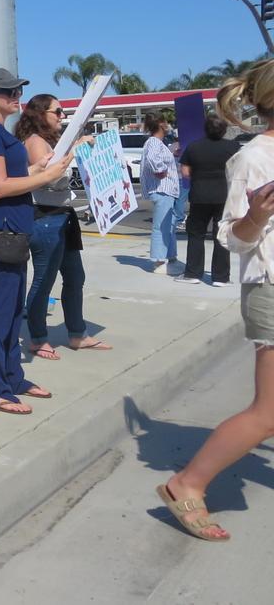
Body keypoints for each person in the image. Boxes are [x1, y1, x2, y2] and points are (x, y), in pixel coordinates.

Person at [158, 59, 274, 541]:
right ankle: (187, 482)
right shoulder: (253, 158)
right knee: (269, 413)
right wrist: (253, 218)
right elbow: (231, 237)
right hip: (271, 285)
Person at [0, 69, 72, 415]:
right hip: (0, 232)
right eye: (7, 90)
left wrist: (39, 168)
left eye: (17, 89)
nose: (15, 94)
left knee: (11, 310)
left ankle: (11, 376)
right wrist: (48, 175)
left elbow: (12, 177)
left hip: (12, 230)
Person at [15, 94, 111, 359]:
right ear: (40, 114)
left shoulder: (51, 141)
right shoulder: (35, 142)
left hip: (62, 216)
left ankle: (77, 333)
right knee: (44, 280)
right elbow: (49, 179)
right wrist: (73, 152)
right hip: (45, 218)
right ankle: (37, 337)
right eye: (57, 112)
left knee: (75, 277)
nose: (62, 116)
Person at [175, 115, 242, 287]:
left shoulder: (193, 147)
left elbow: (185, 173)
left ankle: (193, 273)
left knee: (196, 234)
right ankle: (221, 277)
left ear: (205, 129)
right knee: (221, 235)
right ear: (224, 130)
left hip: (199, 196)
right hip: (224, 197)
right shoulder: (234, 147)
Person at [141, 112, 183, 275]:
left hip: (167, 190)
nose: (168, 125)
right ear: (160, 124)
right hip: (161, 190)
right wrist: (161, 170)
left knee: (169, 225)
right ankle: (159, 261)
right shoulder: (153, 142)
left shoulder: (160, 143)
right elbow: (153, 160)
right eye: (166, 122)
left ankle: (170, 257)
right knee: (162, 226)